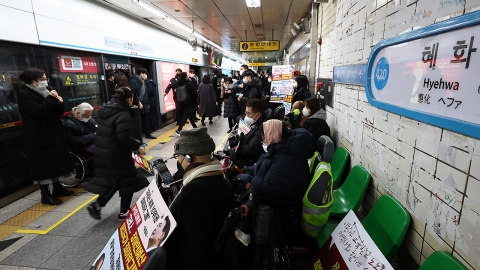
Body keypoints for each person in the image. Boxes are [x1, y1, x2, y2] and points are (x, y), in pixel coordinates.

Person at [164, 127, 232, 270]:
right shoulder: (222, 180)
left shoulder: (194, 192)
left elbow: (192, 250)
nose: (179, 162)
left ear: (189, 157)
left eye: (179, 157)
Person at [82, 87, 149, 221]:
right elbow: (122, 136)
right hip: (117, 154)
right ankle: (123, 212)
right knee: (129, 181)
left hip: (103, 153)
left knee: (115, 181)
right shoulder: (123, 114)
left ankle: (97, 205)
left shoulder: (106, 110)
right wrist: (138, 146)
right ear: (129, 99)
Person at [17, 67, 75, 205]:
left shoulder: (47, 91)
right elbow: (37, 111)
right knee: (43, 166)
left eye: (45, 79)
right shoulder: (25, 94)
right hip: (39, 136)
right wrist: (50, 98)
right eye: (42, 79)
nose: (45, 81)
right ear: (33, 80)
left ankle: (58, 188)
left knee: (57, 162)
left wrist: (60, 103)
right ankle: (45, 194)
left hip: (54, 133)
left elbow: (56, 112)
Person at [236, 119, 313, 203]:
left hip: (279, 207)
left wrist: (242, 179)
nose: (264, 142)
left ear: (272, 136)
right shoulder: (282, 149)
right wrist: (244, 171)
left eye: (264, 138)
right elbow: (263, 166)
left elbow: (268, 189)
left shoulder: (287, 160)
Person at [236, 98, 267, 166]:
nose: (246, 116)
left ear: (258, 115)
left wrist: (236, 149)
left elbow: (250, 150)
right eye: (246, 113)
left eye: (248, 113)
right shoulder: (255, 123)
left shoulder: (262, 128)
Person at [130, 67, 156, 139]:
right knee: (138, 121)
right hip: (138, 104)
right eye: (144, 73)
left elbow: (146, 93)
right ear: (141, 74)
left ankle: (148, 133)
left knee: (147, 119)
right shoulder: (133, 81)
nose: (145, 75)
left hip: (145, 104)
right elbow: (134, 93)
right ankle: (138, 136)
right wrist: (138, 102)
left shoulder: (143, 81)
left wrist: (148, 104)